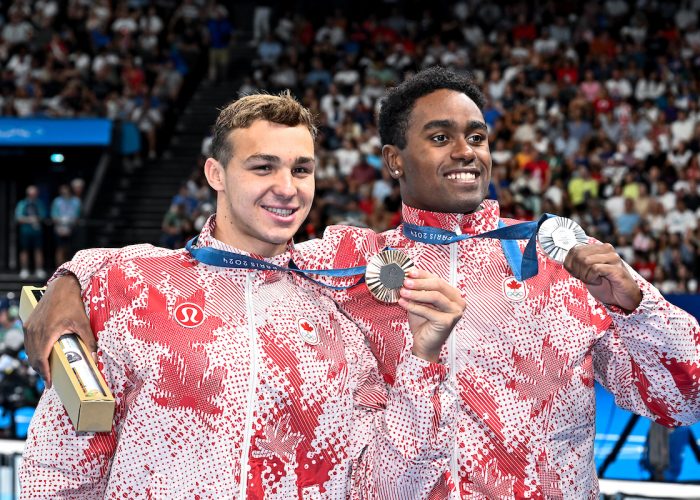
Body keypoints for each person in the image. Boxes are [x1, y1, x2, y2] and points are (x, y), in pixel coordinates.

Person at [25, 69, 700, 498]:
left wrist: (639, 304)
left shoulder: (566, 266)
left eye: (477, 135)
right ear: (393, 163)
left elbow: (687, 399)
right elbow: (229, 266)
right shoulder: (343, 264)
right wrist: (74, 279)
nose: (466, 150)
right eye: (440, 136)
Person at [19, 92, 465, 498]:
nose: (287, 188)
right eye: (263, 166)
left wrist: (423, 361)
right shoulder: (130, 287)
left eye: (301, 169)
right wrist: (74, 273)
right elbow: (58, 466)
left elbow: (381, 487)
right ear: (216, 173)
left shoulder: (336, 318)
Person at [15, 185, 47, 280]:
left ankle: (39, 269)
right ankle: (24, 269)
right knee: (24, 250)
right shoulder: (22, 203)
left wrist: (37, 218)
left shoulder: (39, 203)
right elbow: (18, 217)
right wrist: (29, 219)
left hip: (37, 231)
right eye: (31, 194)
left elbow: (43, 215)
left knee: (38, 250)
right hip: (25, 231)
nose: (33, 195)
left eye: (35, 194)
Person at [50, 184, 81, 267]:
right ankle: (59, 268)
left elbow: (77, 215)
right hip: (60, 228)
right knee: (60, 248)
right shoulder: (57, 201)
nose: (64, 192)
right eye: (62, 190)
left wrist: (70, 223)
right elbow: (53, 215)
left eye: (66, 190)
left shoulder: (76, 201)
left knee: (70, 249)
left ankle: (70, 268)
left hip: (71, 228)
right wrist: (60, 223)